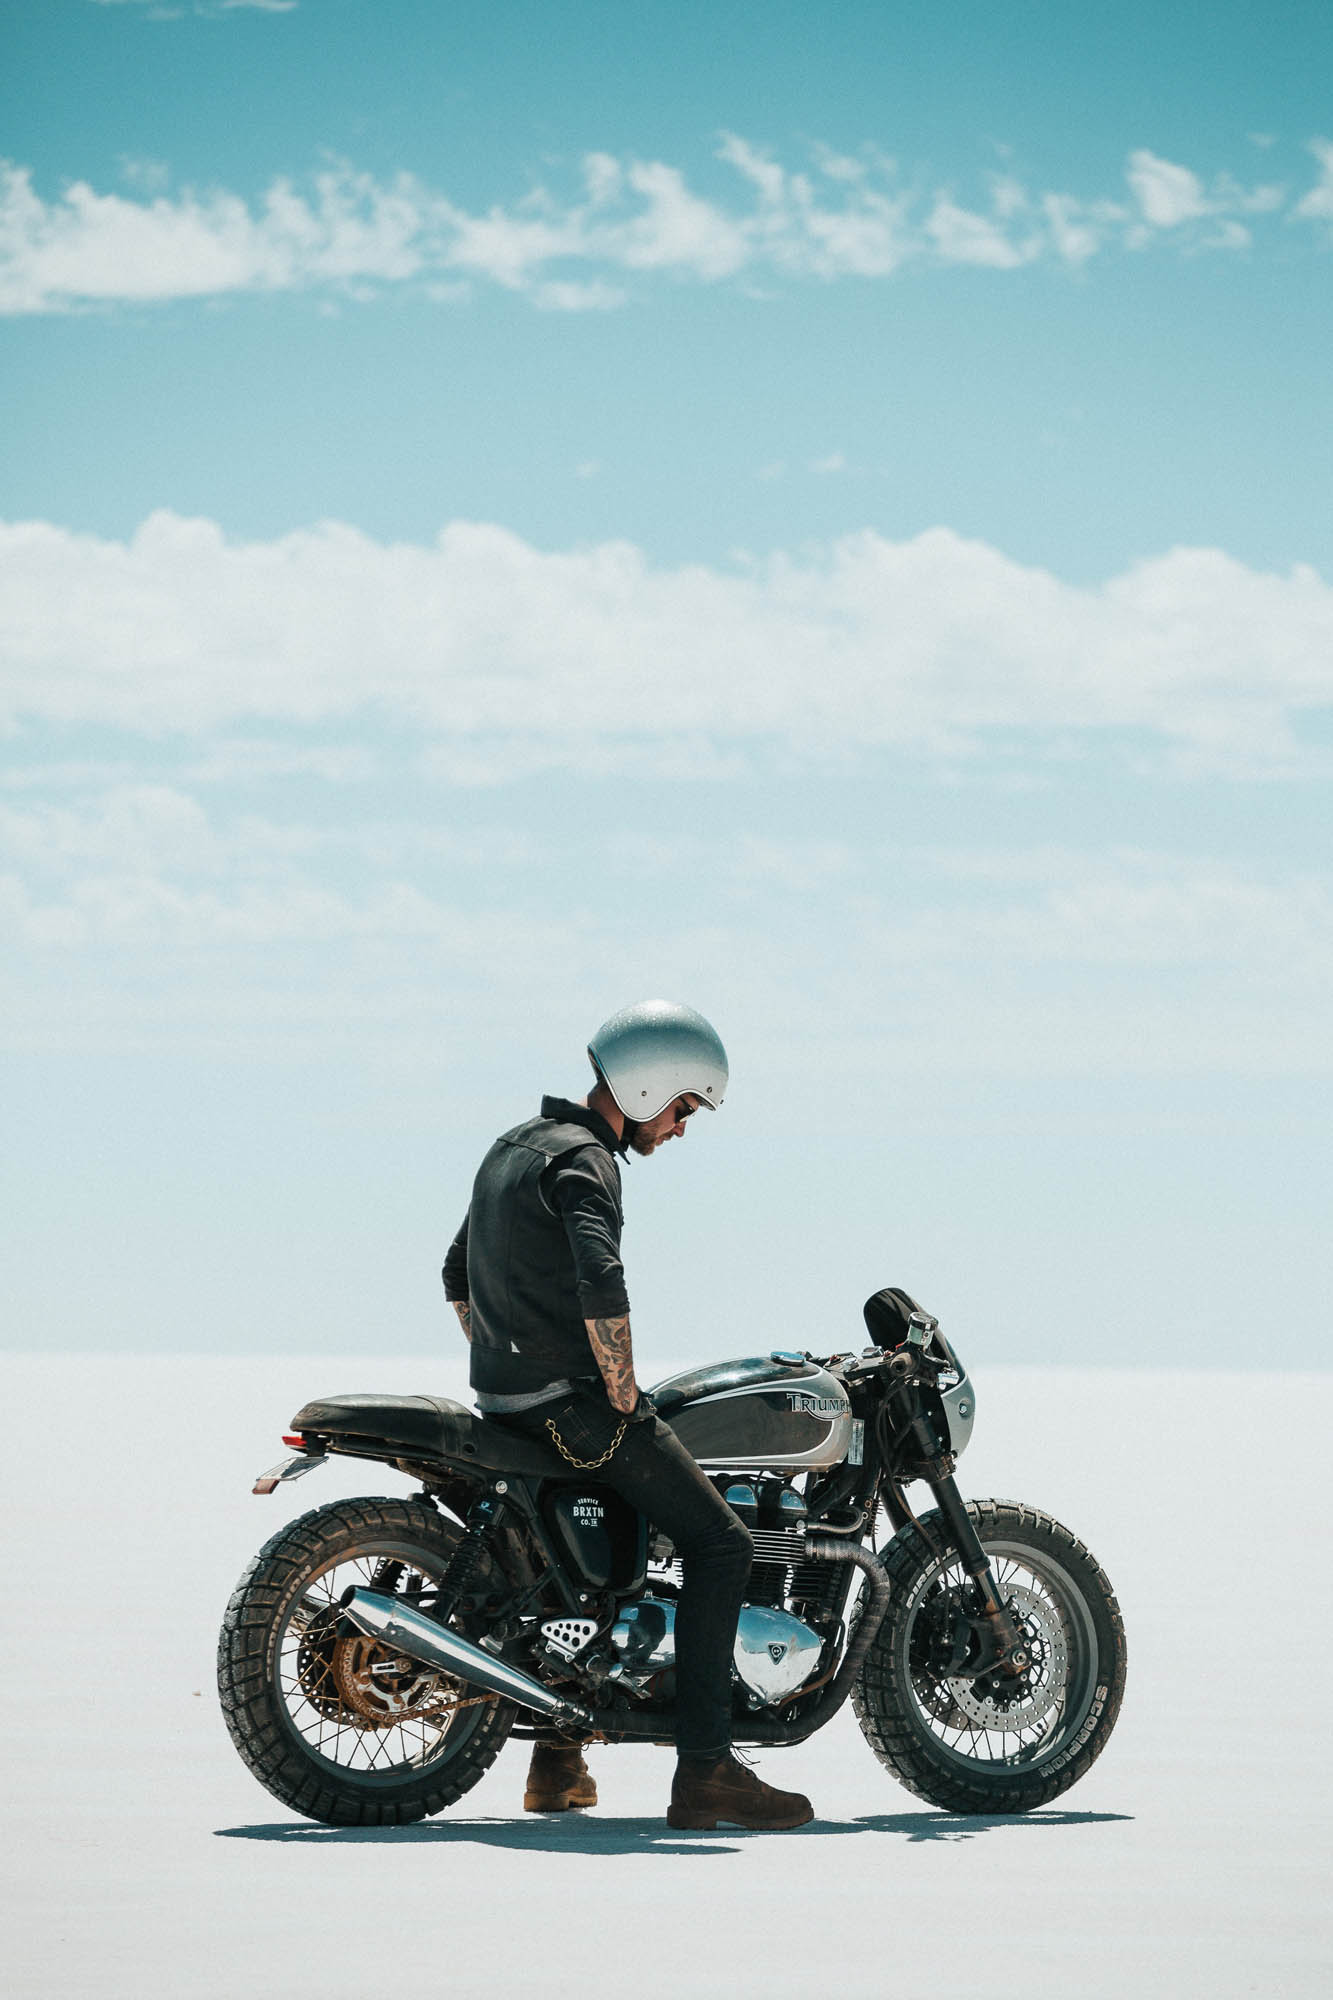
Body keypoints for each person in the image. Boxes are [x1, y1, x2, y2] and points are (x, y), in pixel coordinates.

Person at [442, 999, 813, 1831]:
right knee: (720, 1544)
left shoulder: (513, 1147)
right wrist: (618, 1392)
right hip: (570, 1408)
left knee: (596, 1567)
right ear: (648, 1088)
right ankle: (708, 1773)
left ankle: (557, 1763)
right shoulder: (586, 1161)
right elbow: (600, 1281)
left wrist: (507, 1361)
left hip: (504, 1404)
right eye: (684, 1107)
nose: (681, 1128)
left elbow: (455, 1273)